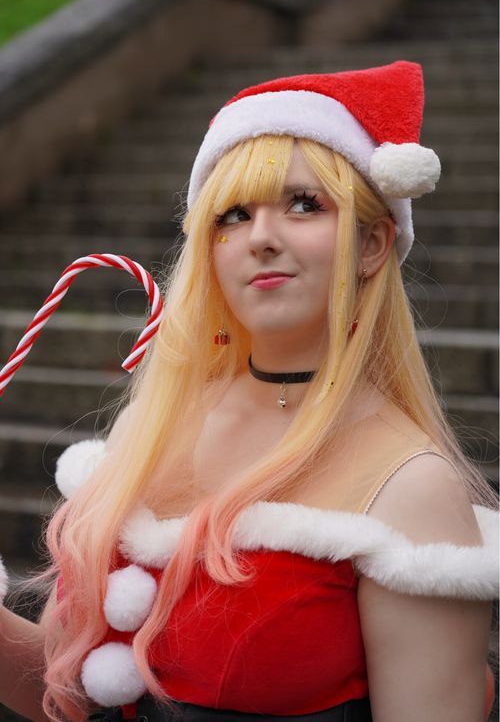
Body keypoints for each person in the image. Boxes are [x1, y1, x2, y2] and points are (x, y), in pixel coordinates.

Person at [0, 61, 498, 722]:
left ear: (373, 243)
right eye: (233, 214)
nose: (262, 238)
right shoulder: (149, 427)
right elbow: (65, 697)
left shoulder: (412, 486)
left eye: (304, 204)